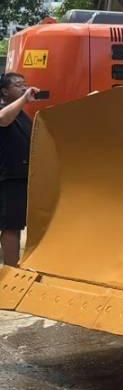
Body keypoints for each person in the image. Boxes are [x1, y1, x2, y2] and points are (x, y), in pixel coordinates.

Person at [0, 72, 38, 266]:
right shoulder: (5, 110)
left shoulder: (22, 114)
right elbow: (3, 120)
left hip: (25, 176)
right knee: (11, 225)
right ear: (4, 91)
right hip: (10, 177)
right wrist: (24, 99)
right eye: (18, 85)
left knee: (19, 223)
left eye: (25, 84)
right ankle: (10, 268)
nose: (24, 87)